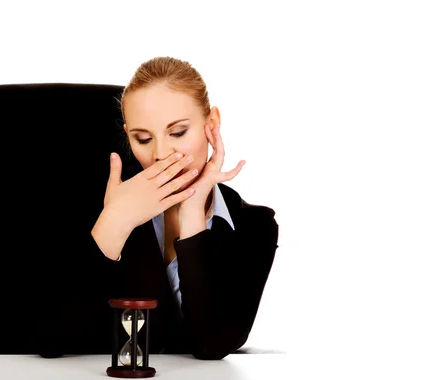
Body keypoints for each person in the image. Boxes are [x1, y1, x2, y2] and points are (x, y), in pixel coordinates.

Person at [38, 56, 279, 360]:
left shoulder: (254, 225)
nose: (161, 154)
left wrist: (191, 215)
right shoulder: (100, 200)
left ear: (212, 124)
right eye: (142, 138)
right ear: (128, 136)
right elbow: (50, 339)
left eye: (177, 133)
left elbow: (213, 345)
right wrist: (116, 221)